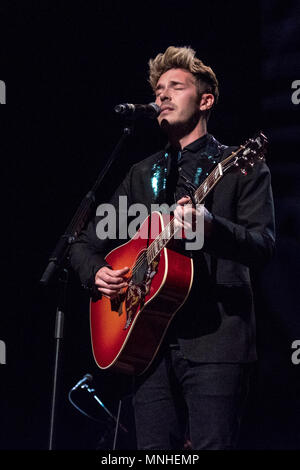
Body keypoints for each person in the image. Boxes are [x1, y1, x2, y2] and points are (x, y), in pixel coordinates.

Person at [70, 46, 275, 450]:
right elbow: (83, 243)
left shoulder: (238, 164)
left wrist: (213, 228)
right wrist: (95, 271)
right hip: (147, 344)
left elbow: (263, 245)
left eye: (174, 87)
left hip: (217, 341)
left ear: (205, 100)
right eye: (158, 89)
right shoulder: (140, 174)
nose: (161, 95)